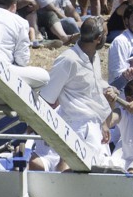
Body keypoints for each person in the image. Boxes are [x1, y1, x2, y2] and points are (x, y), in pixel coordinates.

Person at [32, 17, 117, 171]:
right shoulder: (68, 60)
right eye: (105, 34)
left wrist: (104, 122)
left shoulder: (95, 57)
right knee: (68, 168)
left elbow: (94, 89)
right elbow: (47, 98)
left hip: (94, 126)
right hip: (74, 126)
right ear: (98, 39)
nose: (106, 36)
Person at [0, 0, 48, 92]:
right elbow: (22, 60)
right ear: (14, 6)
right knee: (44, 78)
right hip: (1, 69)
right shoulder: (20, 22)